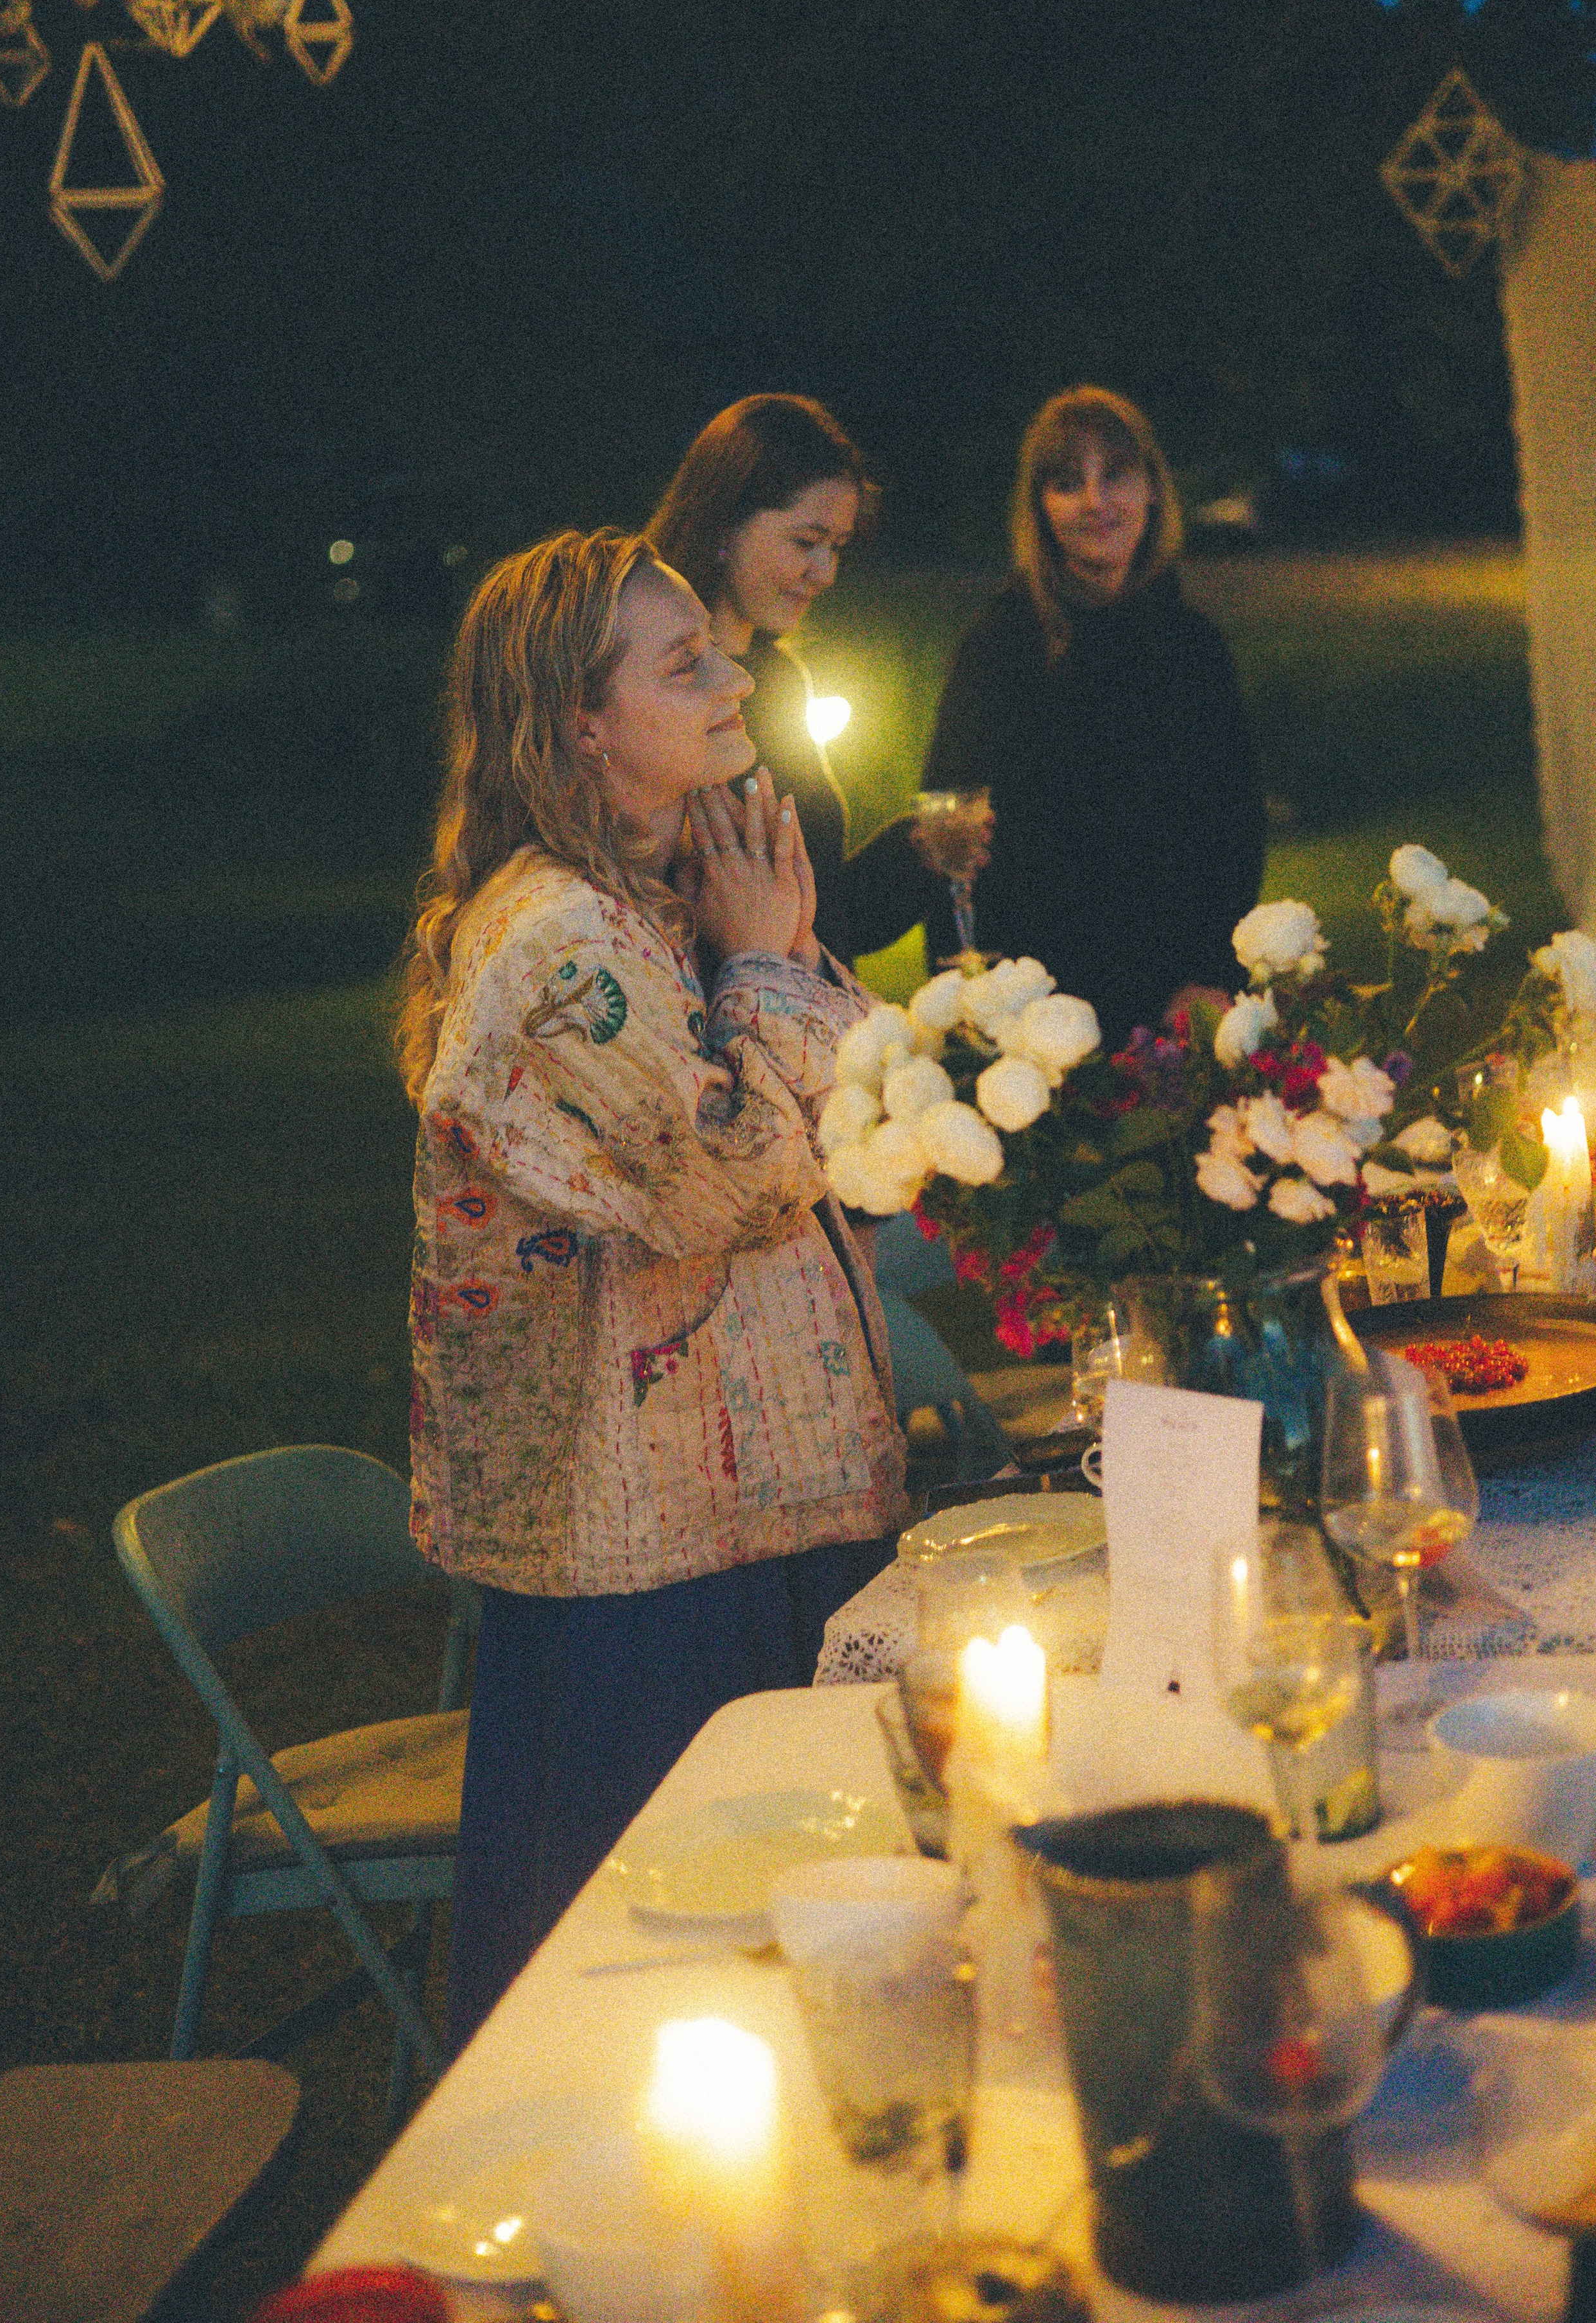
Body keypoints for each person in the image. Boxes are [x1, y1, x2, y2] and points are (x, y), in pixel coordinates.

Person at [397, 528, 908, 2053]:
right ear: (577, 721)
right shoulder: (555, 941)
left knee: (812, 1929)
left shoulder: (672, 892)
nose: (733, 672)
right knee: (666, 1962)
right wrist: (769, 975)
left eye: (715, 647)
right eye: (683, 664)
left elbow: (865, 1105)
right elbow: (728, 1188)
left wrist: (779, 959)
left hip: (762, 1499)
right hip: (642, 1560)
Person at [923, 386, 1265, 1046]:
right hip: (1037, 1016)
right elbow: (952, 838)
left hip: (1180, 1004)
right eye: (1065, 481)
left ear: (1153, 490)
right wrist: (975, 1009)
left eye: (1115, 474)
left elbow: (1234, 827)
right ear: (1039, 507)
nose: (1094, 500)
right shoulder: (999, 647)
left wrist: (1209, 975)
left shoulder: (1194, 648)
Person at [648, 393, 966, 969]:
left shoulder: (779, 679)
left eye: (836, 548)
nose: (824, 574)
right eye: (804, 542)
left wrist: (919, 852)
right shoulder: (657, 685)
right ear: (724, 523)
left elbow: (817, 918)